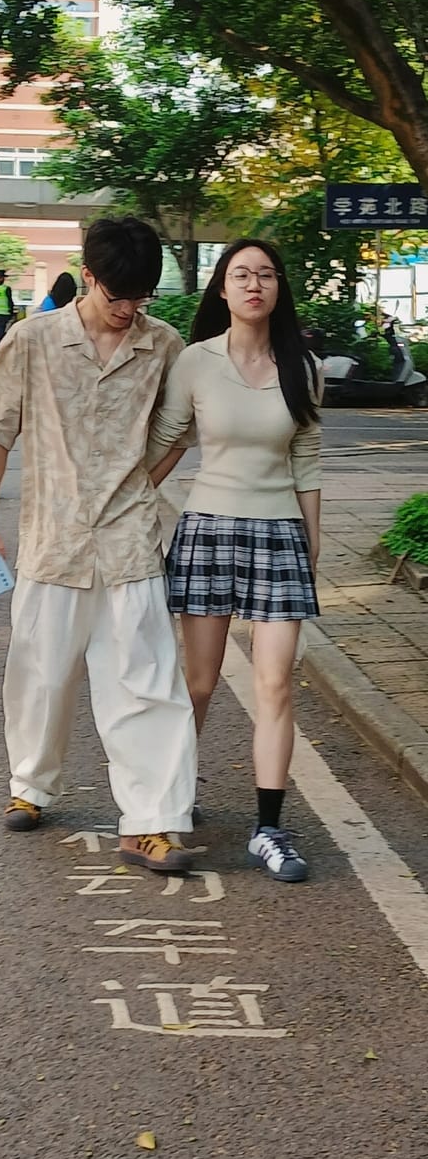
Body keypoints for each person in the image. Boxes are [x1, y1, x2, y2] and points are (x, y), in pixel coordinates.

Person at [0, 216, 197, 874]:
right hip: (52, 535)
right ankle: (30, 786)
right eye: (118, 296)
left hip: (129, 539)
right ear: (87, 276)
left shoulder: (164, 345)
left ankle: (151, 822)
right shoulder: (34, 341)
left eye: (141, 299)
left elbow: (181, 427)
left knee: (146, 680)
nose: (129, 311)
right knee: (41, 672)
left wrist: (143, 482)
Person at [146, 238, 323, 882]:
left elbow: (306, 454)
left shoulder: (303, 366)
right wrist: (115, 504)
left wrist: (312, 536)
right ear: (222, 288)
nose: (254, 284)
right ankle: (170, 801)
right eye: (241, 274)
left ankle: (269, 827)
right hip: (209, 530)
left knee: (276, 682)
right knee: (198, 683)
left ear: (278, 289)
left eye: (266, 274)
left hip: (278, 533)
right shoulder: (195, 362)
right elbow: (166, 441)